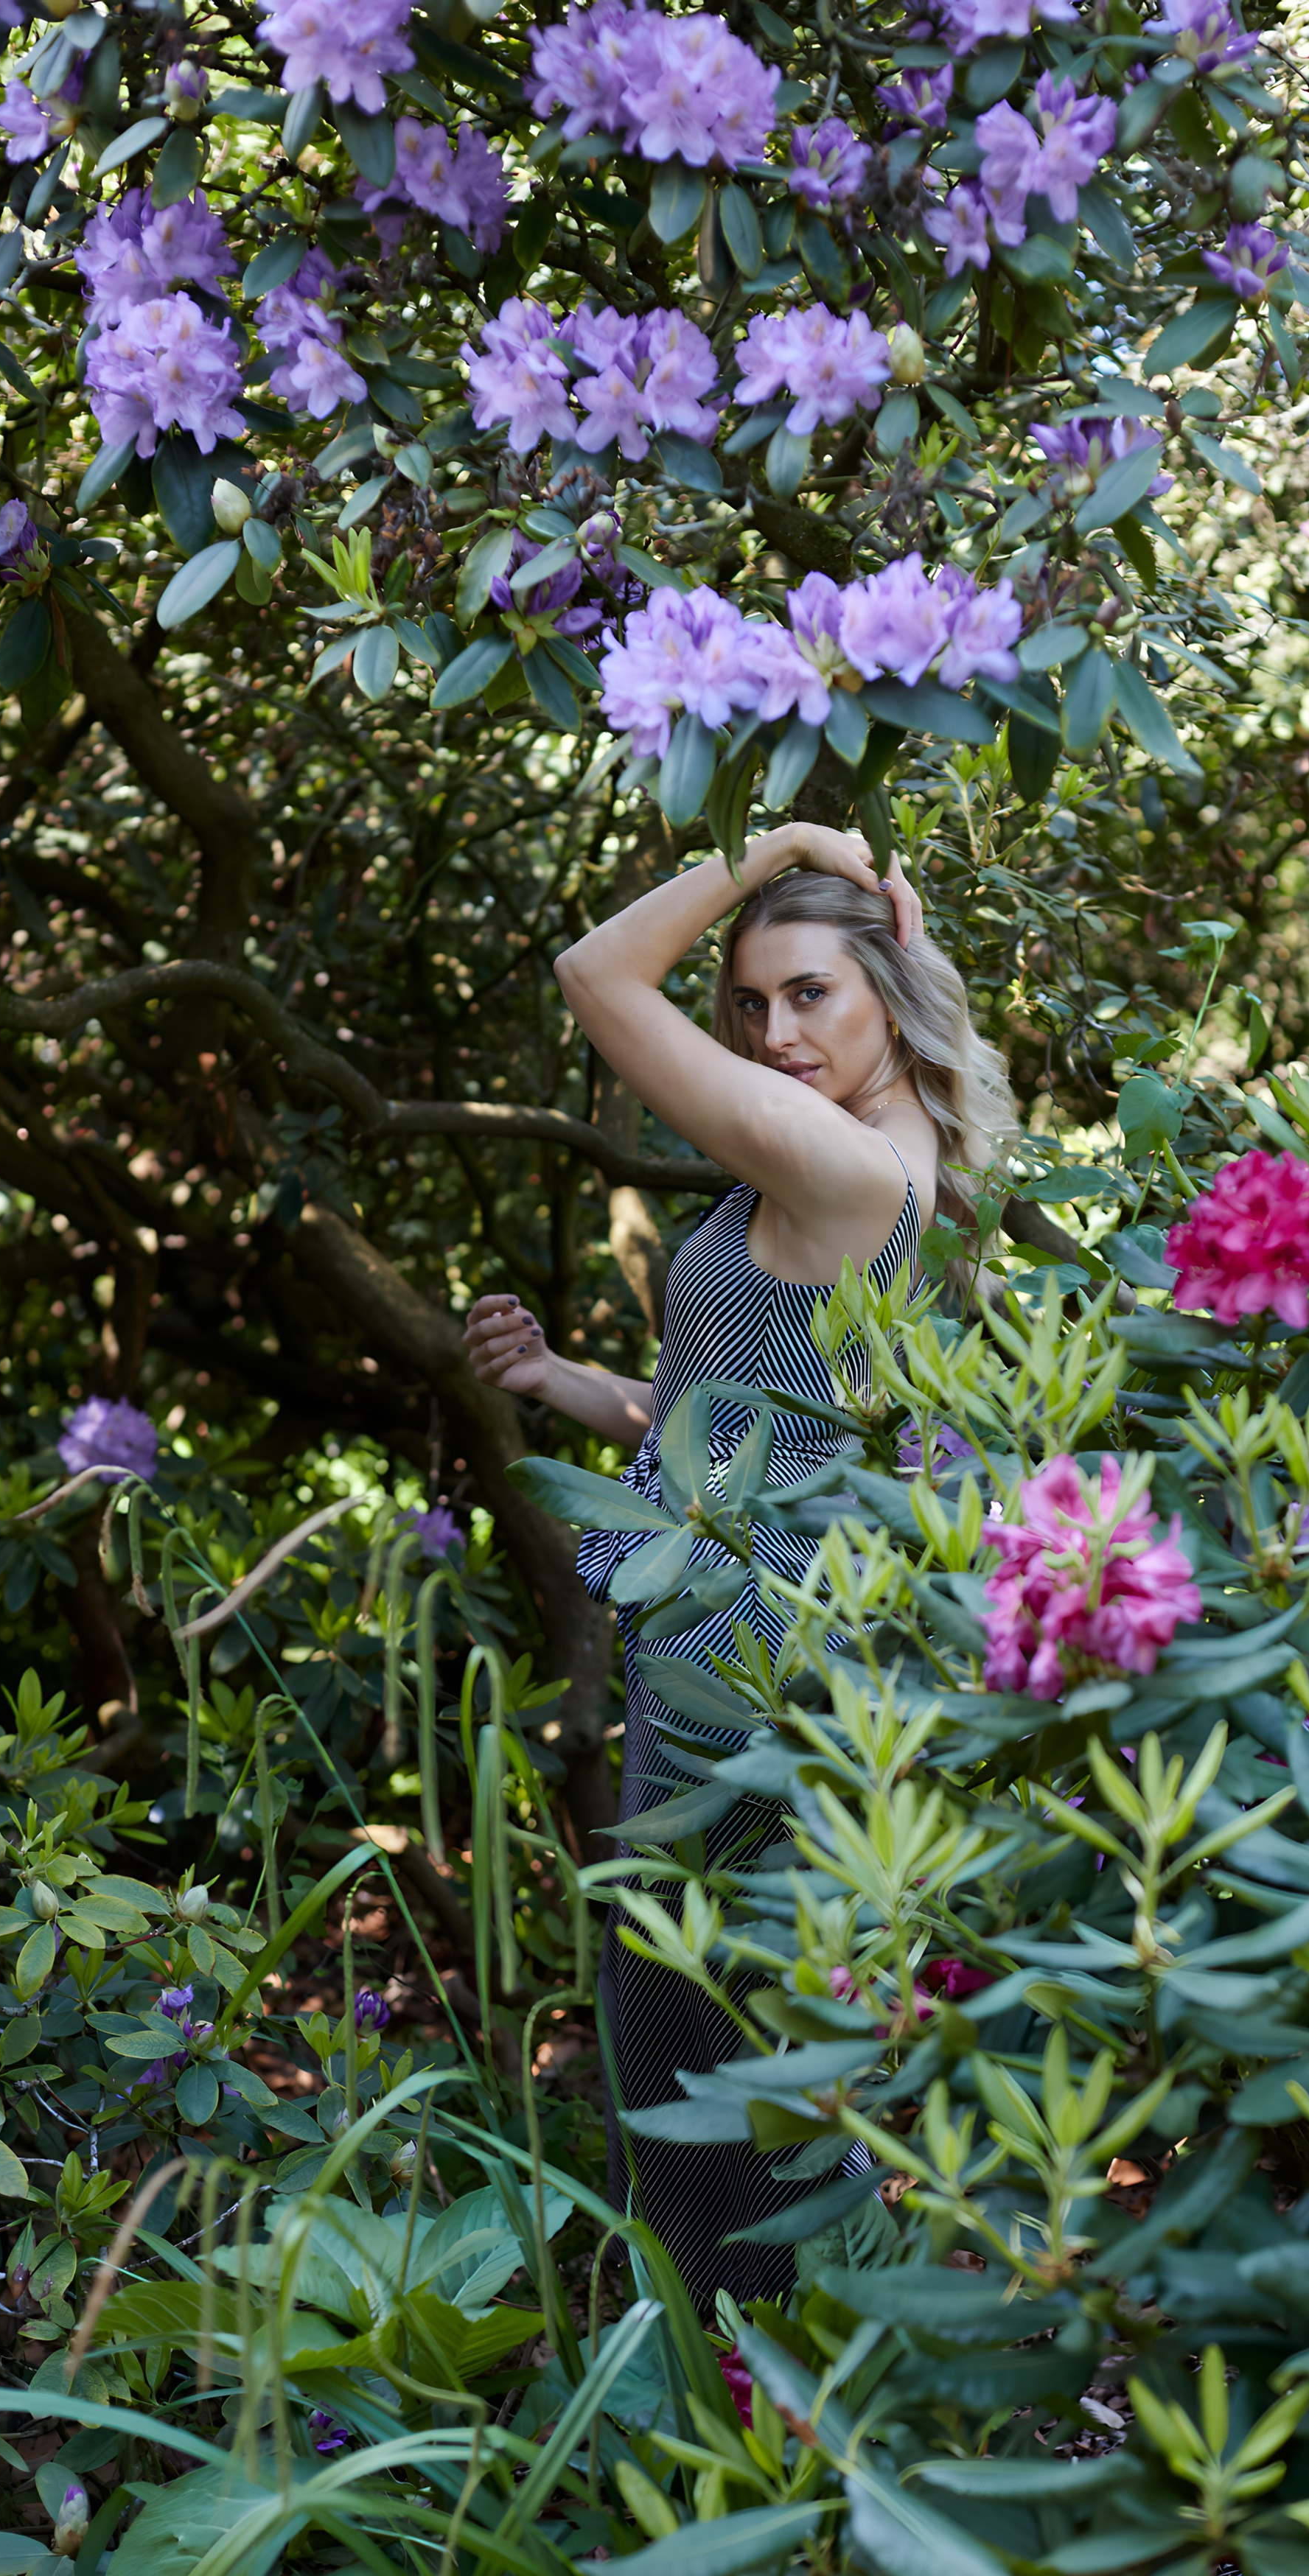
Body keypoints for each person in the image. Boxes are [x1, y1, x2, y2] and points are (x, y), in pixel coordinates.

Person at [463, 821, 1015, 2308]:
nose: (774, 1033)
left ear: (892, 989)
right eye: (751, 1002)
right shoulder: (870, 1156)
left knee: (721, 2070)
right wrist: (571, 1383)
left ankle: (742, 2382)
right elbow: (747, 1426)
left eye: (810, 993)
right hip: (732, 1655)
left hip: (752, 1687)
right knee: (722, 2052)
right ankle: (752, 2382)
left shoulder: (844, 1167)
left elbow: (595, 973)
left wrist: (767, 836)